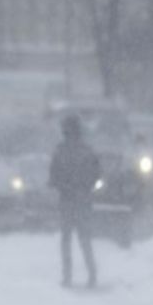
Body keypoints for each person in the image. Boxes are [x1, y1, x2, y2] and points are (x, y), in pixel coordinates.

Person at [49, 114, 101, 288]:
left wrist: (61, 185)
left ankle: (67, 276)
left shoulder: (60, 151)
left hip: (66, 201)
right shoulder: (87, 151)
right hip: (84, 200)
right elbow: (97, 174)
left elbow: (53, 177)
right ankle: (92, 274)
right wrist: (86, 187)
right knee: (85, 239)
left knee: (66, 240)